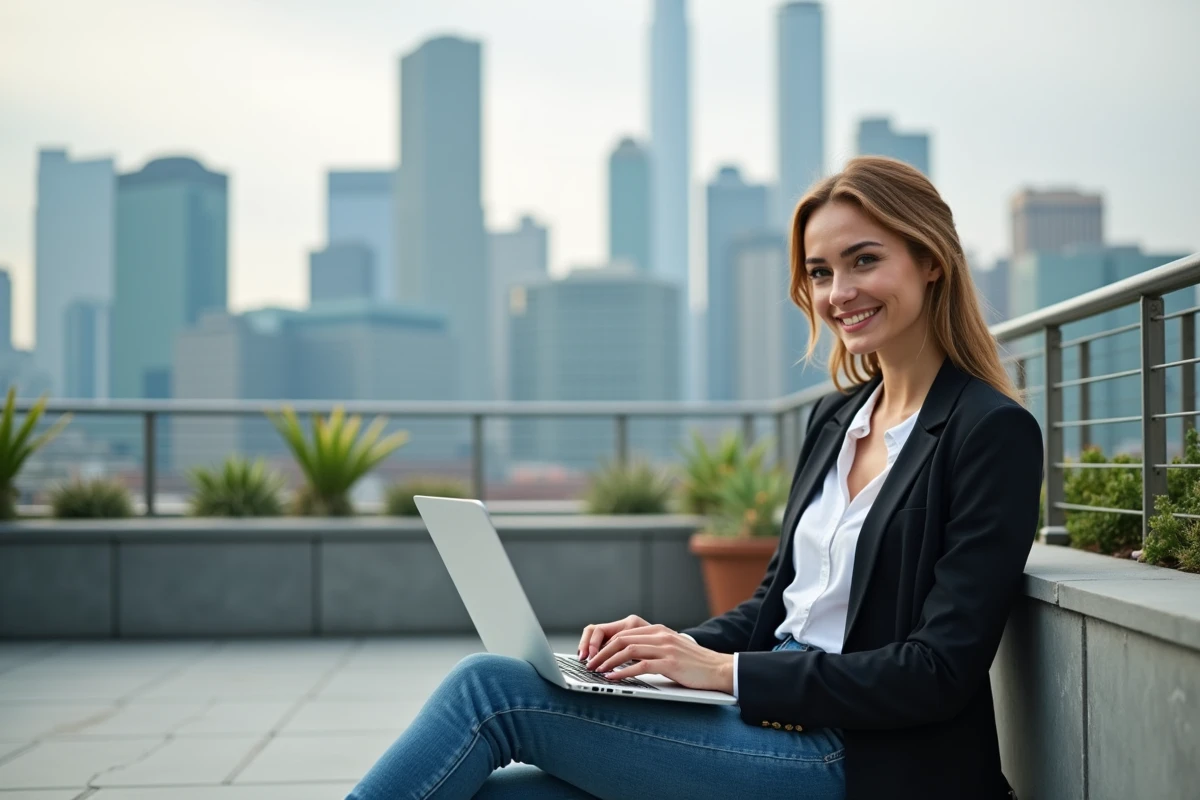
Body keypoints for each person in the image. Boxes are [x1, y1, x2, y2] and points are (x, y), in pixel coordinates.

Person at [346, 156, 1042, 800]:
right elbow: (778, 605)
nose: (839, 293)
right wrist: (662, 651)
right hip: (764, 717)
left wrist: (718, 673)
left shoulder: (988, 432)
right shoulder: (837, 419)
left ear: (931, 262)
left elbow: (937, 672)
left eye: (864, 261)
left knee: (489, 692)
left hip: (858, 756)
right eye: (821, 272)